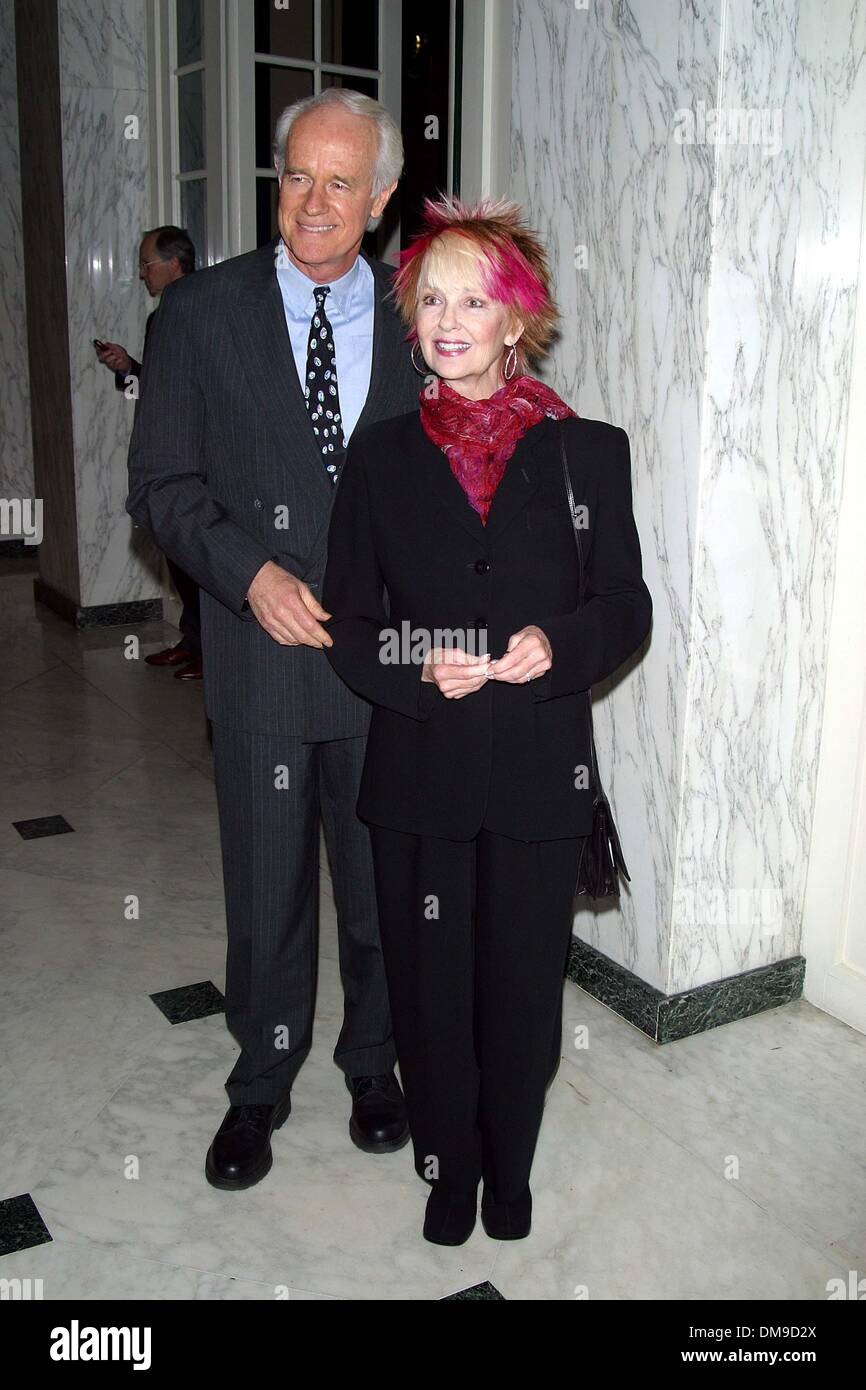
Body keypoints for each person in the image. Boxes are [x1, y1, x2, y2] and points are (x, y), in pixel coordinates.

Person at [322, 196, 652, 1244]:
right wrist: (424, 666)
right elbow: (351, 623)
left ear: (517, 320)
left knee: (517, 991)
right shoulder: (376, 460)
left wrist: (558, 648)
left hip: (533, 777)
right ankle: (446, 1167)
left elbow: (623, 605)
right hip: (416, 775)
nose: (449, 316)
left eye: (474, 298)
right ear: (411, 317)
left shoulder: (585, 454)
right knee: (427, 991)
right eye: (430, 298)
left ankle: (507, 1168)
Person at [126, 90, 421, 1191]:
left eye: (340, 182)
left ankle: (376, 1064)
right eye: (296, 175)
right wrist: (247, 577)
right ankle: (261, 1080)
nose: (312, 202)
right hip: (258, 657)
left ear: (379, 198)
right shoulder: (199, 314)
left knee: (383, 878)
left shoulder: (415, 318)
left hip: (382, 662)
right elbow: (158, 484)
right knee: (265, 887)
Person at [98, 227, 203, 680]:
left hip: (200, 458)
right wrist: (129, 370)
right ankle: (194, 640)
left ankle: (209, 651)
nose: (142, 273)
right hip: (168, 455)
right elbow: (161, 389)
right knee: (180, 559)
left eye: (147, 264)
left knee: (200, 558)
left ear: (174, 263)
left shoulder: (204, 310)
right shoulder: (158, 318)